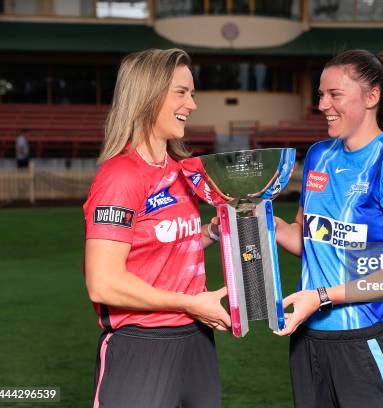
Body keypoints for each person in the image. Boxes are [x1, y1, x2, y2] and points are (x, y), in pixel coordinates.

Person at [274, 49, 383, 407]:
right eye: (320, 94)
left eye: (334, 94)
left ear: (372, 96)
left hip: (366, 340)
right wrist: (259, 220)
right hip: (308, 338)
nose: (322, 104)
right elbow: (308, 238)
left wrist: (323, 296)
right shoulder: (318, 155)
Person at [83, 48, 229, 408]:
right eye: (181, 92)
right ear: (147, 95)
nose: (192, 104)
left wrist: (209, 234)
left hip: (195, 342)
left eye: (191, 93)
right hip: (141, 346)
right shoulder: (120, 177)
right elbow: (104, 282)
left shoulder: (183, 170)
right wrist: (191, 304)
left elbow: (164, 242)